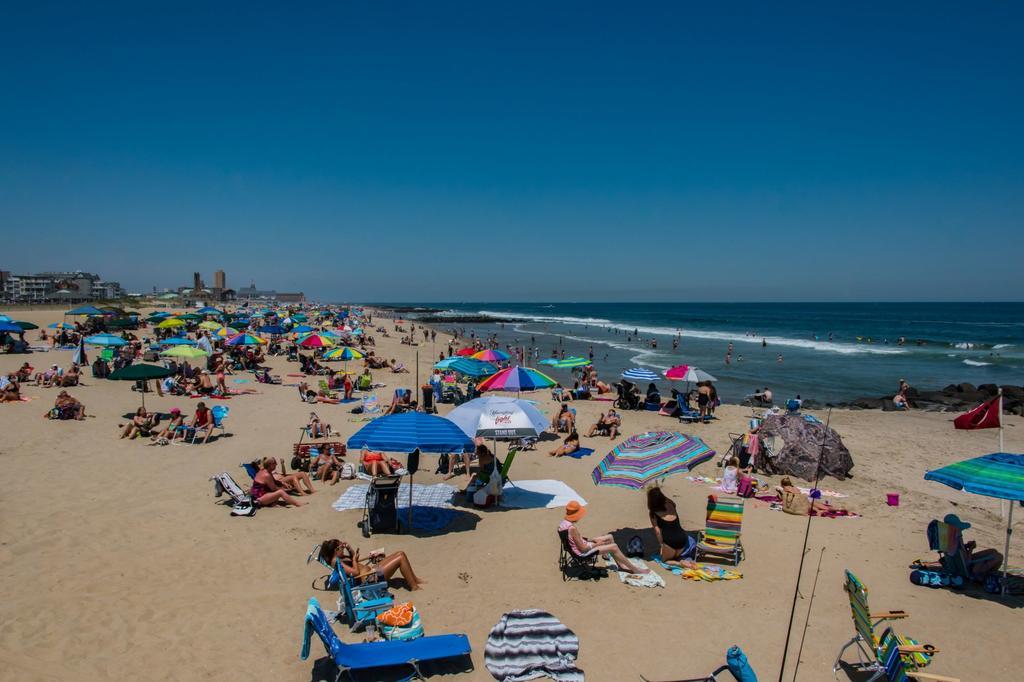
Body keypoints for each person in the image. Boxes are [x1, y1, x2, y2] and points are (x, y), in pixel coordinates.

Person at [558, 501, 649, 574]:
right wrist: (597, 544)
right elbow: (583, 549)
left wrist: (591, 540)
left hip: (580, 547)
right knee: (614, 547)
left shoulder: (563, 525)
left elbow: (574, 541)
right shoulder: (572, 528)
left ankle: (620, 564)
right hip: (582, 553)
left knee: (609, 537)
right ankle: (635, 569)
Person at [318, 538, 425, 590]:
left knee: (400, 553)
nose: (343, 549)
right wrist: (355, 560)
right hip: (371, 580)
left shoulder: (338, 558)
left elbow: (353, 559)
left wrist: (349, 549)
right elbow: (355, 572)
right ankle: (414, 586)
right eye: (342, 547)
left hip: (371, 572)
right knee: (400, 558)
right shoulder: (337, 562)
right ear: (336, 550)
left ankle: (414, 579)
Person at [647, 487, 697, 568]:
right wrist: (660, 494)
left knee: (665, 561)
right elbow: (669, 501)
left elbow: (657, 531)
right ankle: (681, 559)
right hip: (683, 539)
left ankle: (680, 564)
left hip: (670, 543)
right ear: (662, 496)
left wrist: (662, 545)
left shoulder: (653, 513)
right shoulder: (671, 504)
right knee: (676, 556)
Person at [942, 514, 1003, 579]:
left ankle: (987, 570)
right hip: (969, 568)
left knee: (993, 551)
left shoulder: (948, 537)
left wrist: (966, 546)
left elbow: (957, 552)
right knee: (999, 556)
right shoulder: (957, 538)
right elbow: (967, 562)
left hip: (959, 563)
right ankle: (984, 574)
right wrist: (971, 548)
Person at [777, 477, 848, 516]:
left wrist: (779, 493)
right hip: (807, 498)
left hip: (802, 500)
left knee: (817, 508)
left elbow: (784, 497)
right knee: (822, 506)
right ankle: (838, 509)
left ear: (783, 484)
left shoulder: (785, 489)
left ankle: (825, 510)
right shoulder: (795, 488)